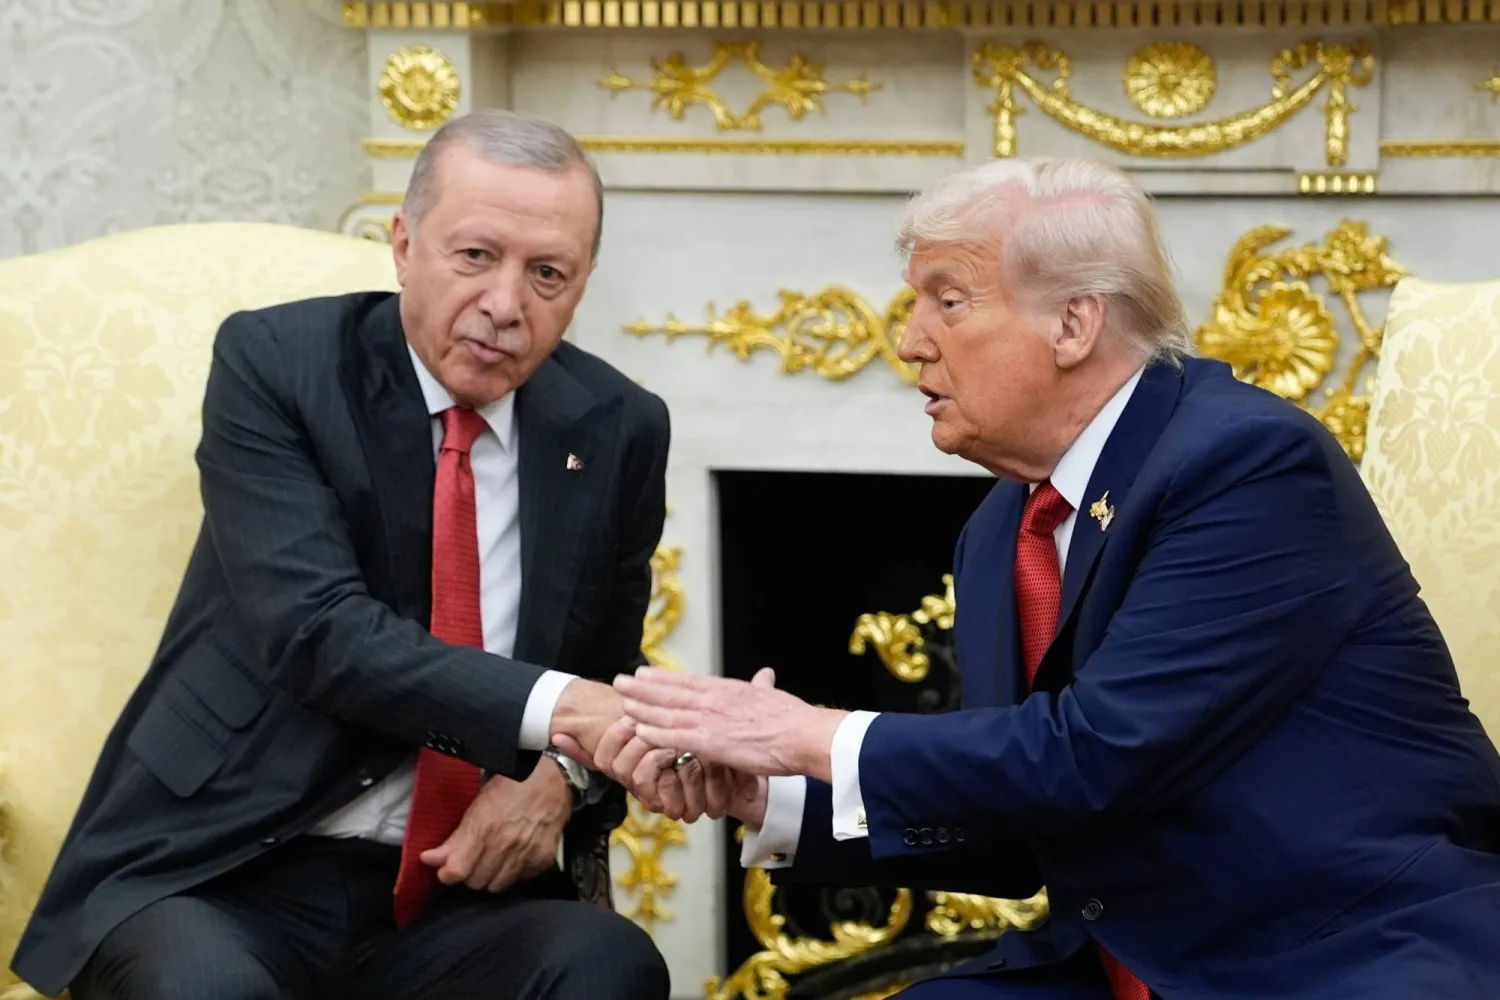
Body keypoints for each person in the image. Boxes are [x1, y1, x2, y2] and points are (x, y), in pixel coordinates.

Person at [576, 158, 1500, 999]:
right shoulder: (1003, 529)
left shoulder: (1247, 463)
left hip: (1336, 952)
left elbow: (1095, 757)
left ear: (1073, 322)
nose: (908, 342)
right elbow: (1022, 824)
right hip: (1117, 965)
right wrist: (766, 793)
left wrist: (807, 733)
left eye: (948, 301)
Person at [11, 109, 673, 1000]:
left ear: (582, 287)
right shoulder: (279, 366)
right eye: (475, 256)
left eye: (547, 274)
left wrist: (561, 776)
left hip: (452, 894)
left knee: (608, 965)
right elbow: (318, 633)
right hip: (223, 863)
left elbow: (606, 670)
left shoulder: (618, 426)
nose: (506, 305)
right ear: (404, 246)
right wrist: (565, 714)